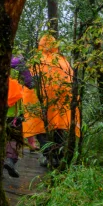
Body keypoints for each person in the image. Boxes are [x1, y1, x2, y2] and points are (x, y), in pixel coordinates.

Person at [31, 33, 78, 168]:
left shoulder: (37, 60)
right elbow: (71, 83)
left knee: (40, 128)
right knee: (59, 127)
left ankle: (49, 155)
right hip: (60, 104)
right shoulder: (63, 61)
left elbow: (29, 84)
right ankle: (57, 157)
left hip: (41, 103)